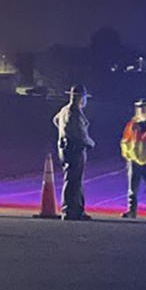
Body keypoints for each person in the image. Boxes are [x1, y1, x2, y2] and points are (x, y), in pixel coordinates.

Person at [53, 84, 96, 220]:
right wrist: (90, 143)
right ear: (81, 98)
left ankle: (75, 209)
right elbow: (81, 134)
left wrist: (63, 132)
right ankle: (72, 210)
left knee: (71, 179)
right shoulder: (75, 112)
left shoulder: (64, 110)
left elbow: (55, 120)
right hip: (75, 149)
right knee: (74, 181)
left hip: (64, 148)